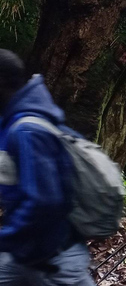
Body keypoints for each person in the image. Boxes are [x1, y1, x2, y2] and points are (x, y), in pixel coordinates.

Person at [0, 49, 95, 285]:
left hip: (57, 261)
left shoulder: (27, 129)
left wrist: (5, 238)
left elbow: (45, 201)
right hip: (28, 255)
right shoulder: (13, 122)